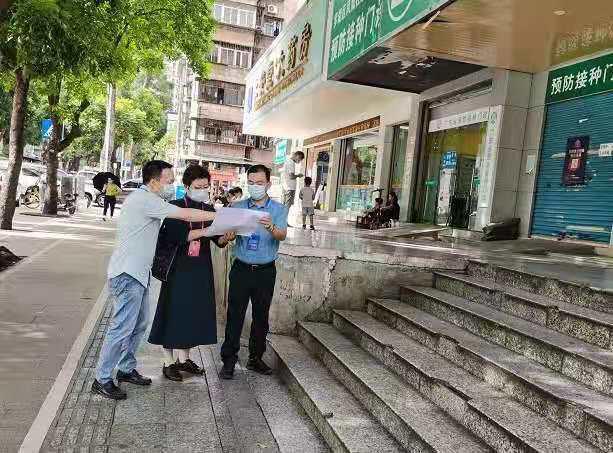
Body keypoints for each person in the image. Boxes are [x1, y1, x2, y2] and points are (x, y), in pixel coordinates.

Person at [92, 160, 217, 401]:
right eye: (169, 180)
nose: (171, 184)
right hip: (127, 274)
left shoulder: (149, 199)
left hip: (138, 274)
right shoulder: (145, 200)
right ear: (154, 180)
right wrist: (218, 214)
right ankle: (102, 378)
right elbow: (184, 214)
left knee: (137, 326)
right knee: (121, 329)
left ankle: (126, 369)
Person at [148, 165, 234, 381]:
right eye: (198, 186)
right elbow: (179, 236)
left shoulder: (209, 210)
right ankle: (168, 362)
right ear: (187, 186)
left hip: (200, 268)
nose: (203, 190)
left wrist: (228, 236)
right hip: (178, 268)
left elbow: (218, 241)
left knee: (193, 314)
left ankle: (184, 358)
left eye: (206, 186)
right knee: (173, 312)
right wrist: (208, 229)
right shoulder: (176, 207)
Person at [220, 164, 288, 380]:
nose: (255, 187)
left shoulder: (278, 209)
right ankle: (229, 360)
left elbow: (281, 236)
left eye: (259, 183)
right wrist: (227, 236)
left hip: (265, 271)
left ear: (268, 183)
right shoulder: (237, 206)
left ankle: (255, 358)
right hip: (241, 268)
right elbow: (223, 237)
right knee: (235, 315)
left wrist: (271, 228)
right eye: (251, 183)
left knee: (261, 316)